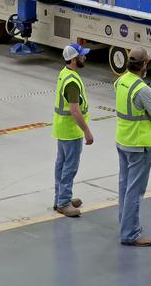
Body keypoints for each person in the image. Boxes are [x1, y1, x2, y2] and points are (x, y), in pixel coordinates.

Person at [115, 48, 151, 247]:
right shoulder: (142, 89)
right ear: (143, 65)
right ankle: (130, 233)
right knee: (135, 190)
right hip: (138, 144)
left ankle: (124, 223)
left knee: (125, 186)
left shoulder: (121, 81)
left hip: (123, 140)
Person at [53, 42, 93, 217]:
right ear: (75, 59)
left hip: (62, 129)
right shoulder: (72, 82)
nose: (85, 57)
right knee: (69, 167)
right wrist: (86, 130)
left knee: (61, 165)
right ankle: (63, 203)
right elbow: (75, 110)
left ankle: (60, 198)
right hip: (71, 131)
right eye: (82, 55)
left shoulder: (65, 73)